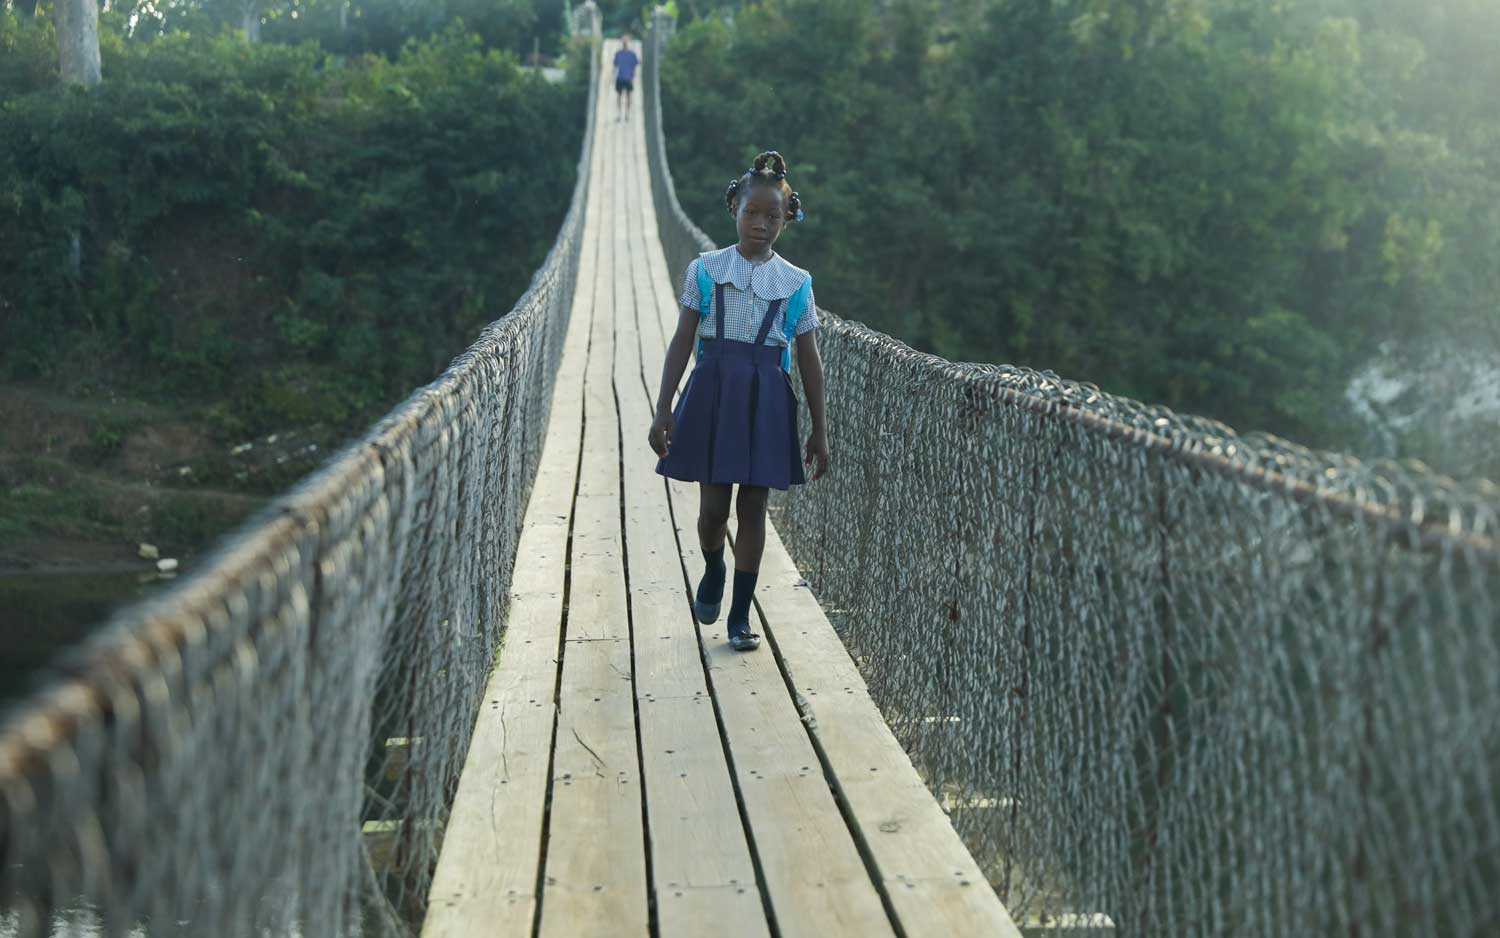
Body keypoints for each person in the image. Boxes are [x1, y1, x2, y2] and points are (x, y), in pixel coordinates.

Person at [648, 151, 830, 652]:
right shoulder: (706, 270)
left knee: (754, 505)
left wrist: (820, 427)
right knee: (713, 508)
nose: (761, 223)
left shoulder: (796, 283)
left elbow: (809, 359)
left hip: (768, 397)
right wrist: (664, 407)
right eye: (752, 212)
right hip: (712, 393)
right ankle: (712, 564)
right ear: (734, 209)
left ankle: (740, 616)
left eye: (773, 215)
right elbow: (683, 340)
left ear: (786, 221)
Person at [613, 36, 640, 120]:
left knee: (628, 96)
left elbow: (635, 66)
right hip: (620, 77)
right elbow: (615, 65)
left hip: (628, 78)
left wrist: (634, 76)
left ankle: (627, 114)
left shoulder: (632, 54)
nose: (625, 43)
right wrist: (613, 75)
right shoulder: (618, 53)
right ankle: (619, 114)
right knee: (619, 96)